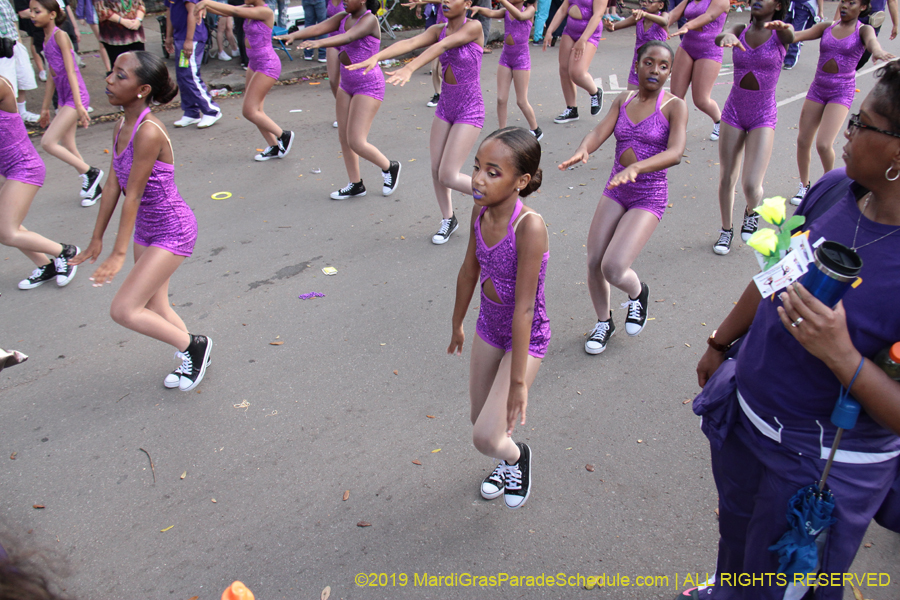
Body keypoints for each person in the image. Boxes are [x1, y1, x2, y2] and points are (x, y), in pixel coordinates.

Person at [691, 62, 900, 600]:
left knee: (782, 584)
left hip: (819, 465)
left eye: (863, 124)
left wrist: (842, 355)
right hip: (749, 421)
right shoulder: (836, 189)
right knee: (737, 544)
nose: (847, 133)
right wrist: (721, 342)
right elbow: (774, 273)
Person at [72, 52, 212, 392]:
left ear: (142, 88)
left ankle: (194, 346)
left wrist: (118, 254)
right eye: (112, 72)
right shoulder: (122, 123)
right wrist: (96, 239)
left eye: (121, 76)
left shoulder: (148, 131)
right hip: (147, 228)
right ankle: (194, 350)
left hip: (172, 228)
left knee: (123, 309)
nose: (109, 79)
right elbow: (111, 186)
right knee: (154, 304)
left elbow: (131, 195)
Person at [559, 41, 686, 355]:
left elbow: (676, 152)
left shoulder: (674, 106)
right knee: (593, 262)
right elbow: (600, 131)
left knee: (613, 267)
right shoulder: (623, 100)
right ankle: (604, 322)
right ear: (638, 64)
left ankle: (637, 293)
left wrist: (639, 167)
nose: (655, 70)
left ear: (670, 71)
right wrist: (583, 149)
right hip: (617, 189)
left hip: (649, 194)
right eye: (649, 62)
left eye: (663, 66)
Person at [447, 127, 548, 510]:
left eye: (492, 172)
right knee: (481, 421)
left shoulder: (530, 227)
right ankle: (504, 459)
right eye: (476, 167)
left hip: (526, 336)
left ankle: (516, 457)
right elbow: (469, 270)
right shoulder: (479, 210)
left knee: (487, 437)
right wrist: (457, 322)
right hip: (488, 327)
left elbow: (524, 308)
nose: (476, 179)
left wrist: (519, 381)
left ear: (521, 181)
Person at [348, 0, 483, 244]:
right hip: (446, 107)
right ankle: (448, 218)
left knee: (448, 175)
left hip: (469, 109)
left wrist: (409, 68)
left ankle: (498, 194)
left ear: (467, 3)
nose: (446, 2)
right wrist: (376, 56)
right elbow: (409, 42)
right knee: (435, 170)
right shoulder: (437, 29)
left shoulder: (473, 27)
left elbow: (444, 46)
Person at [279, 0, 401, 198]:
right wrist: (292, 35)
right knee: (344, 138)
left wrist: (319, 43)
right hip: (347, 84)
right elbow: (318, 27)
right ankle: (356, 184)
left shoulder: (369, 19)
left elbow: (349, 36)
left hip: (368, 84)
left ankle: (389, 166)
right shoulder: (342, 18)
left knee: (356, 141)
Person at [785, 0, 893, 206]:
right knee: (803, 141)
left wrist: (878, 52)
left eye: (851, 3)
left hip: (841, 92)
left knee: (824, 144)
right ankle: (804, 186)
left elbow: (872, 43)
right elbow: (795, 36)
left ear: (862, 7)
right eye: (843, 1)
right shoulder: (827, 27)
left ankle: (830, 186)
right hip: (818, 88)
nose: (844, 6)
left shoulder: (864, 30)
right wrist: (784, 28)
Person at [711, 0, 792, 256]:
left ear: (778, 5)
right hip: (734, 110)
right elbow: (721, 37)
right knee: (727, 177)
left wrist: (784, 26)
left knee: (751, 185)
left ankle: (751, 212)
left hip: (763, 114)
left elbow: (790, 34)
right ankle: (726, 230)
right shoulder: (739, 27)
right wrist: (725, 38)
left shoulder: (781, 33)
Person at [0, 74, 79, 291]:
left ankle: (64, 251)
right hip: (7, 168)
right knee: (6, 224)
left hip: (24, 167)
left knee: (6, 232)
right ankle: (46, 265)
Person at [196, 0, 293, 162]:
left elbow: (234, 11)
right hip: (254, 63)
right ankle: (274, 146)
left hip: (267, 64)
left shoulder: (265, 12)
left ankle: (284, 135)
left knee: (249, 111)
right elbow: (226, 12)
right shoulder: (249, 8)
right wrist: (203, 6)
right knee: (257, 111)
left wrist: (205, 2)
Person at [31, 0, 104, 207]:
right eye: (32, 11)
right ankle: (94, 187)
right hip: (64, 97)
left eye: (37, 11)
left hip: (75, 96)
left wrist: (80, 105)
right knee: (68, 144)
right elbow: (52, 77)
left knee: (47, 142)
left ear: (52, 14)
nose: (32, 15)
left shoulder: (60, 36)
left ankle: (91, 172)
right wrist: (45, 107)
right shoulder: (46, 39)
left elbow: (71, 71)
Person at [469, 0, 541, 139]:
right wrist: (478, 8)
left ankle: (536, 129)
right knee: (501, 98)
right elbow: (490, 12)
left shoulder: (529, 10)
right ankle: (502, 132)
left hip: (521, 59)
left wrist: (503, 2)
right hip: (506, 58)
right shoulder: (506, 11)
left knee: (521, 101)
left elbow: (520, 17)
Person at [667, 0, 729, 140]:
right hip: (687, 46)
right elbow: (673, 14)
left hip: (710, 50)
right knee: (676, 96)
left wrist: (688, 25)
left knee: (701, 100)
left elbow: (709, 16)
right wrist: (657, 21)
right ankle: (677, 131)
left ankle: (719, 122)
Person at [542, 0, 606, 124]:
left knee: (577, 72)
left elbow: (597, 15)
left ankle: (595, 92)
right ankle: (571, 109)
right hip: (570, 30)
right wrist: (550, 31)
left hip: (589, 33)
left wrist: (583, 39)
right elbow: (562, 9)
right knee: (564, 69)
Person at [165, 0, 223, 128]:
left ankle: (211, 110)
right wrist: (168, 36)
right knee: (182, 76)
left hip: (192, 38)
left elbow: (193, 11)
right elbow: (169, 11)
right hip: (180, 37)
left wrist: (189, 40)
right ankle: (191, 112)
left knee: (190, 75)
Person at [603, 0, 669, 90]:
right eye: (642, 1)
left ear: (660, 5)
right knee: (631, 97)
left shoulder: (663, 16)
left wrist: (645, 14)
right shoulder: (638, 17)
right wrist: (610, 27)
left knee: (651, 99)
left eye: (650, 1)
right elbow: (614, 27)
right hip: (638, 64)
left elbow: (664, 21)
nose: (645, 3)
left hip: (655, 66)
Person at [94, 0, 145, 74]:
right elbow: (101, 10)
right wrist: (123, 21)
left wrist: (138, 20)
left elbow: (141, 4)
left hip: (135, 33)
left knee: (140, 67)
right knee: (120, 69)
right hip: (115, 37)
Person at [782, 0, 823, 69]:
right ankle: (777, 55)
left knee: (796, 32)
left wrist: (820, 11)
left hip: (804, 6)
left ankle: (790, 59)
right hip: (788, 4)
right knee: (781, 30)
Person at [74, 0, 111, 71]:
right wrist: (80, 15)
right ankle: (109, 70)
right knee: (102, 42)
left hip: (111, 11)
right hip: (94, 13)